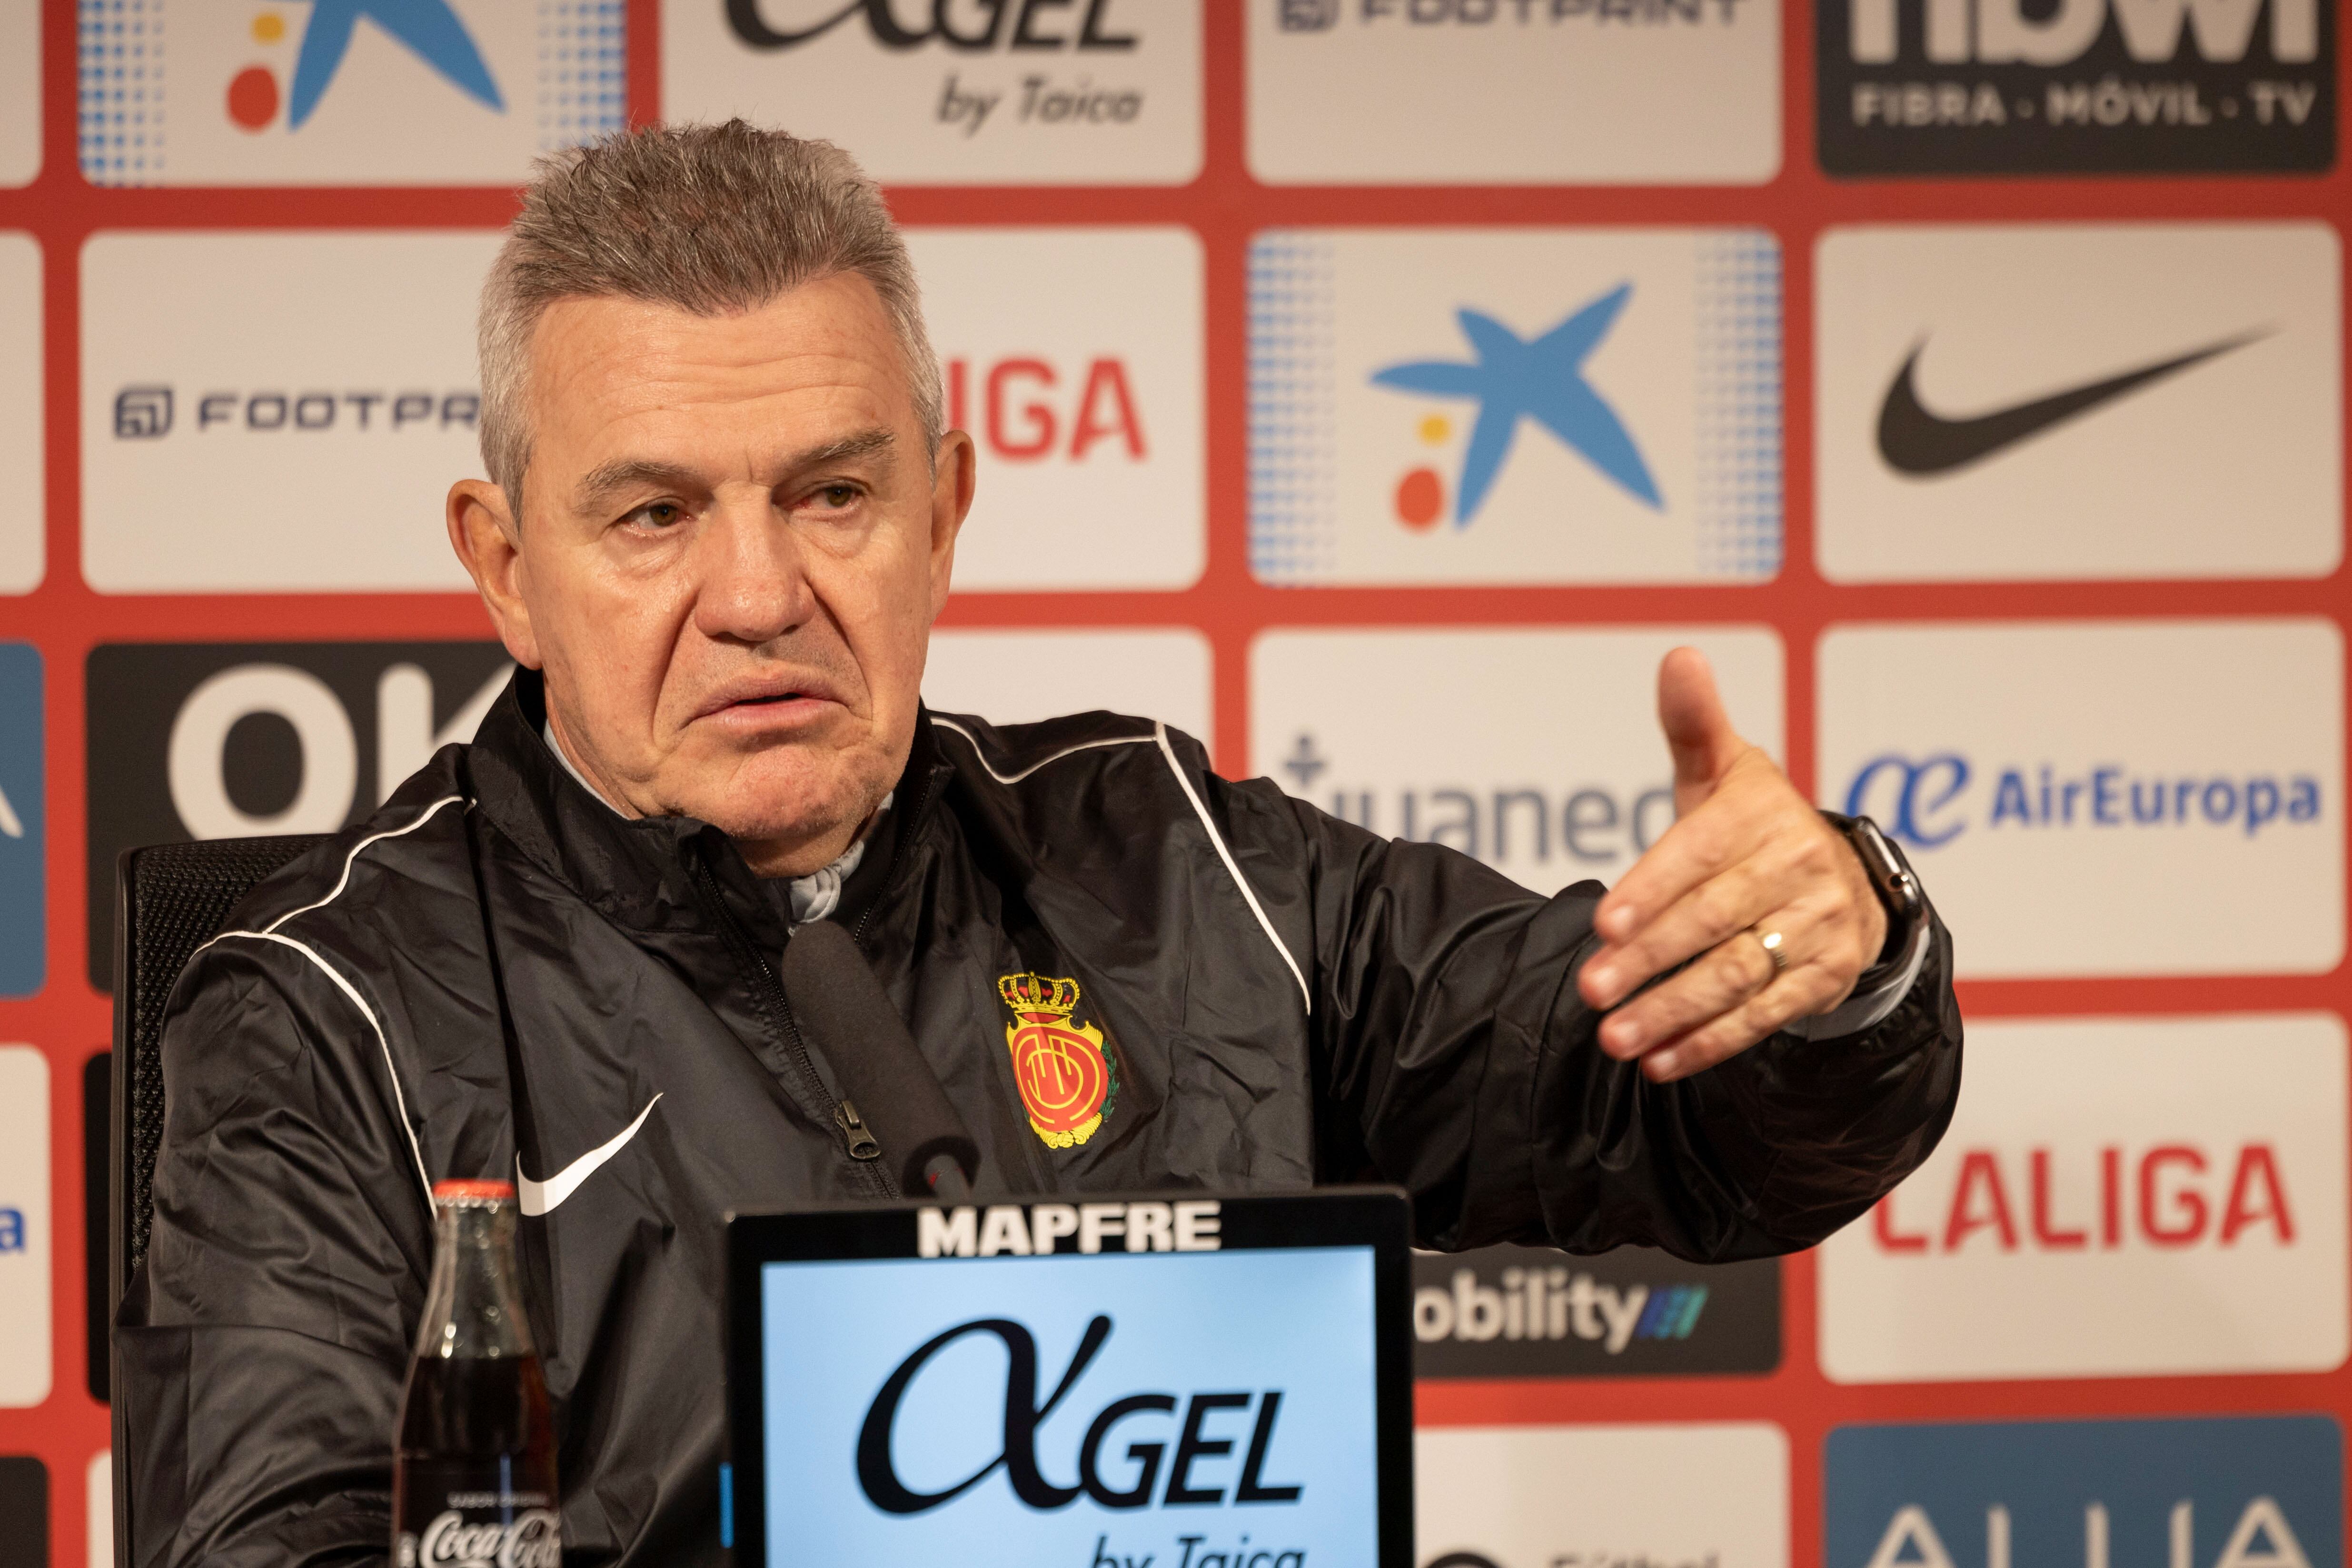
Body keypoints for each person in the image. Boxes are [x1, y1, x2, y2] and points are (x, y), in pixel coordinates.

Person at [117, 122, 1960, 1567]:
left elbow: (1685, 1121)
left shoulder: (1177, 865)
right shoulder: (328, 1014)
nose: (758, 592)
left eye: (835, 492)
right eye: (655, 515)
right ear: (508, 568)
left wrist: (1823, 960)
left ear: (945, 513)